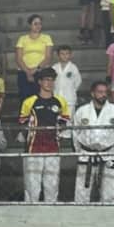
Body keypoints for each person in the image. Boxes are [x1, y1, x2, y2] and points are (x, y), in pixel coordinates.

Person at [19, 67, 69, 202]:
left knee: (52, 185)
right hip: (33, 149)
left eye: (52, 80)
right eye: (46, 80)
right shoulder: (29, 101)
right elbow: (23, 123)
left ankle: (50, 211)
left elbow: (64, 122)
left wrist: (57, 131)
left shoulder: (61, 101)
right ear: (40, 82)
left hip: (53, 148)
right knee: (32, 186)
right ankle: (30, 211)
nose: (49, 83)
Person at [73, 80, 114, 203]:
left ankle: (108, 214)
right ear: (92, 93)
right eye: (100, 92)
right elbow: (75, 134)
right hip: (86, 154)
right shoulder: (82, 111)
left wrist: (112, 151)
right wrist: (79, 152)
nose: (103, 95)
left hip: (107, 154)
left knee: (109, 194)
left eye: (105, 92)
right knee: (81, 193)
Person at [15, 14, 54, 102]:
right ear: (30, 25)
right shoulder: (22, 39)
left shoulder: (47, 38)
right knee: (25, 98)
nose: (38, 26)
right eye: (35, 24)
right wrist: (28, 72)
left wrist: (36, 69)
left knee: (41, 98)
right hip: (24, 71)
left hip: (41, 71)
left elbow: (48, 57)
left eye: (40, 24)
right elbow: (19, 58)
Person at [54, 45, 82, 119]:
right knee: (57, 119)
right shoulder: (54, 67)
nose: (64, 56)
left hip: (69, 98)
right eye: (62, 54)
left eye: (67, 54)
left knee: (68, 119)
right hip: (56, 97)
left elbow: (78, 82)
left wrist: (72, 90)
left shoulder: (73, 67)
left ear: (70, 55)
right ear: (58, 55)